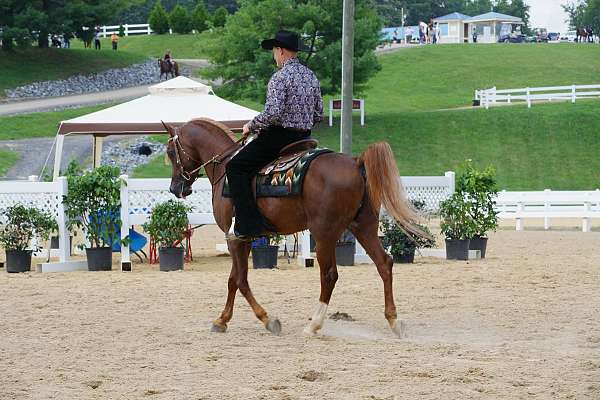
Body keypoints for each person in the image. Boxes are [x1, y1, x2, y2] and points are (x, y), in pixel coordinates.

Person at [225, 30, 323, 240]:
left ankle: (248, 224)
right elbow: (318, 114)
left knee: (235, 167)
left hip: (279, 139)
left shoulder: (279, 78)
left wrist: (251, 125)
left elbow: (273, 113)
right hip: (305, 139)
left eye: (273, 51)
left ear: (280, 51)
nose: (273, 55)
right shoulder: (311, 76)